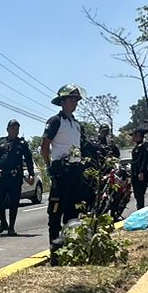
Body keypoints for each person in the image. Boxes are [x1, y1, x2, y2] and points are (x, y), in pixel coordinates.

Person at [41, 84, 87, 249]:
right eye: (71, 99)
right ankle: (54, 249)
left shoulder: (76, 124)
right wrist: (49, 168)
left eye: (76, 100)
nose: (75, 103)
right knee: (55, 213)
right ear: (62, 102)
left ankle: (70, 247)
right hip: (61, 173)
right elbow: (44, 146)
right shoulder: (55, 121)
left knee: (73, 213)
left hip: (75, 173)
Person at [0, 119, 36, 237]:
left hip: (15, 177)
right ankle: (3, 223)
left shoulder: (22, 144)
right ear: (7, 129)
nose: (15, 130)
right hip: (1, 176)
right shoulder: (1, 141)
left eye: (17, 128)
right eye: (13, 128)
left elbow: (29, 160)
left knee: (14, 203)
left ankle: (11, 227)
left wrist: (31, 174)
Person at [130, 127, 148, 208]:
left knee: (140, 194)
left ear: (138, 135)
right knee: (137, 194)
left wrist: (141, 171)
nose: (132, 137)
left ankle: (140, 210)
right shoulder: (136, 147)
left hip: (140, 173)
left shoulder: (144, 146)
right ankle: (139, 209)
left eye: (133, 135)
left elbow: (144, 159)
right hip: (135, 173)